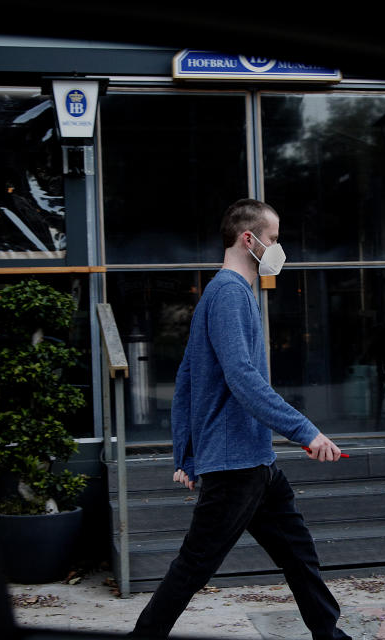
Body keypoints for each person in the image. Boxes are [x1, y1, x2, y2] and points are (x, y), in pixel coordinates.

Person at [130, 198, 351, 639]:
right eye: (272, 239)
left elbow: (188, 377)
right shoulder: (229, 293)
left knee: (298, 553)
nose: (277, 248)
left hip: (256, 461)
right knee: (194, 566)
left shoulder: (230, 293)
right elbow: (242, 379)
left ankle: (330, 635)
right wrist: (305, 431)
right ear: (247, 239)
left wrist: (186, 456)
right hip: (235, 467)